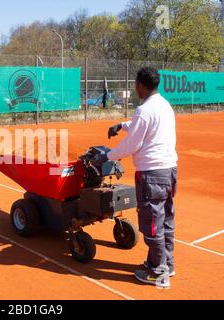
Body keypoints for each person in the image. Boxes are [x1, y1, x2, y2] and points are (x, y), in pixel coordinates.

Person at [104, 67, 178, 288]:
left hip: (152, 175)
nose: (135, 88)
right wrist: (122, 125)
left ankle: (158, 273)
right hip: (169, 171)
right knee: (166, 220)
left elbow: (133, 143)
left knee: (152, 225)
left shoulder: (144, 110)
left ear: (141, 85)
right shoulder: (164, 105)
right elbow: (143, 126)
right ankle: (167, 264)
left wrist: (107, 156)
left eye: (136, 84)